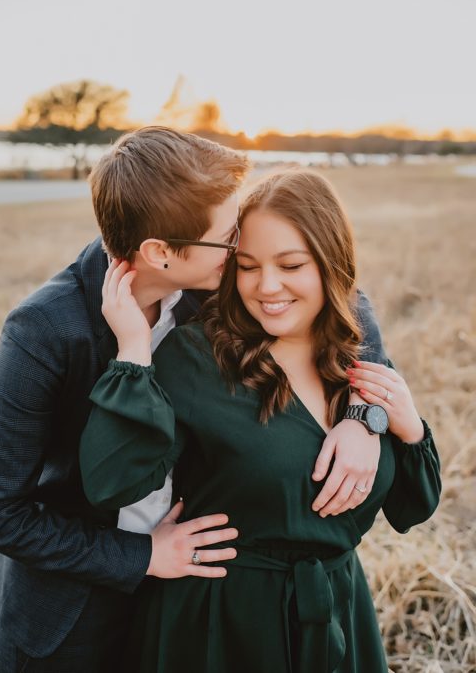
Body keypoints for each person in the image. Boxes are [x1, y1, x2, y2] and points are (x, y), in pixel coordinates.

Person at [0, 127, 388, 672]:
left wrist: (362, 414)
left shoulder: (209, 282)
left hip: (195, 599)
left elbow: (340, 296)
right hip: (76, 614)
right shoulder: (44, 330)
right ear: (160, 252)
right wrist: (144, 556)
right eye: (228, 239)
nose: (240, 251)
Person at [80, 169, 441, 672]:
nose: (267, 287)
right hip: (220, 624)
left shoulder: (358, 363)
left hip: (338, 612)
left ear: (331, 261)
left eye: (290, 265)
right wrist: (134, 356)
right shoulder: (197, 357)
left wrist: (406, 427)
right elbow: (111, 482)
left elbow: (412, 508)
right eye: (247, 266)